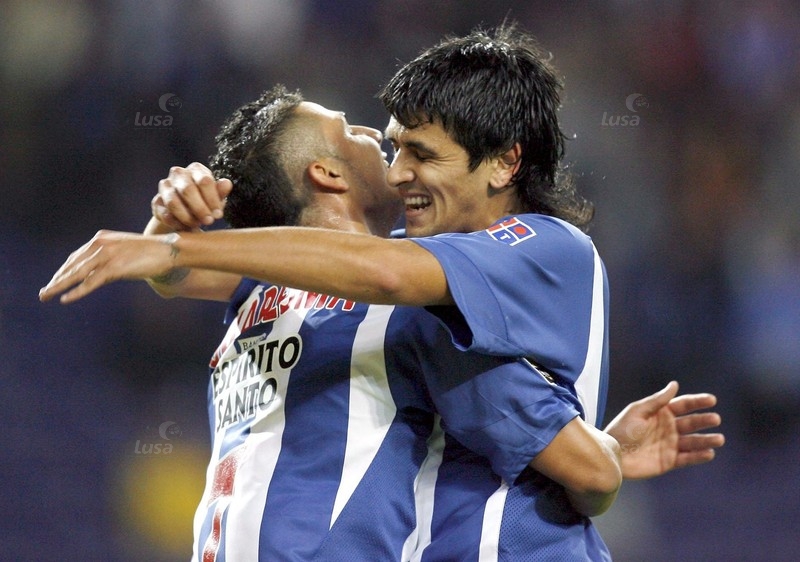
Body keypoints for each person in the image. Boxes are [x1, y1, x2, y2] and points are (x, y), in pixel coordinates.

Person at [40, 25, 724, 560]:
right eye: (388, 145)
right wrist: (168, 226)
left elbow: (389, 278)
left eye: (419, 153)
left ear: (503, 161)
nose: (398, 172)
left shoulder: (532, 253)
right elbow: (182, 277)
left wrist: (172, 245)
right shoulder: (291, 290)